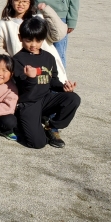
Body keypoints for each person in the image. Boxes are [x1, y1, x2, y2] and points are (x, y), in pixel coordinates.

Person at [12, 18, 80, 149]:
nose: (33, 44)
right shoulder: (17, 60)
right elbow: (23, 87)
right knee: (38, 143)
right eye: (29, 40)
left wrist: (63, 87)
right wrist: (30, 78)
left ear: (43, 39)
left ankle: (51, 127)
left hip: (46, 99)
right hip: (29, 103)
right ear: (20, 38)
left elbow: (53, 80)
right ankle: (20, 122)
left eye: (38, 40)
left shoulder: (49, 58)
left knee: (73, 98)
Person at [0, 0, 68, 81]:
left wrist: (47, 11)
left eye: (25, 1)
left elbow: (58, 35)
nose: (20, 4)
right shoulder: (3, 24)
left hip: (46, 68)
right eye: (17, 0)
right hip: (22, 71)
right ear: (11, 1)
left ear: (30, 2)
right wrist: (12, 64)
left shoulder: (39, 19)